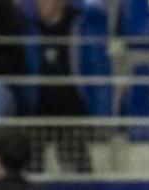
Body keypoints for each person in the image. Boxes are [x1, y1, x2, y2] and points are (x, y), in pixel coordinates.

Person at [23, 0, 113, 173]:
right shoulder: (30, 31)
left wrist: (102, 117)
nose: (40, 4)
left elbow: (100, 74)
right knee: (27, 159)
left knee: (77, 167)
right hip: (39, 114)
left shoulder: (83, 28)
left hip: (73, 114)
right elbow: (24, 75)